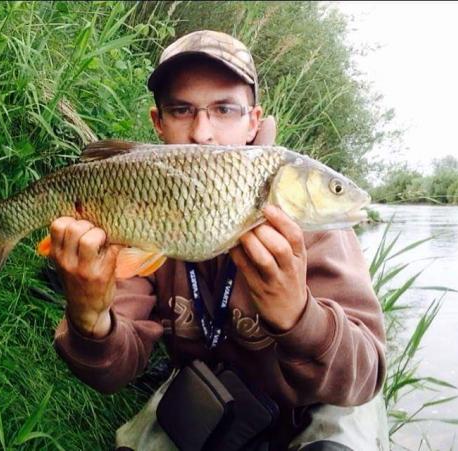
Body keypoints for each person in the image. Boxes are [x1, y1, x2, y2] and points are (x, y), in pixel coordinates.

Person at [50, 30, 388, 451]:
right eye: (181, 110)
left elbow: (366, 375)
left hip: (316, 401)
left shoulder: (315, 223)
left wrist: (299, 316)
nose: (202, 133)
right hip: (210, 392)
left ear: (253, 121)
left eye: (224, 109)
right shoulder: (139, 207)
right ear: (158, 123)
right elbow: (112, 371)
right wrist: (88, 318)